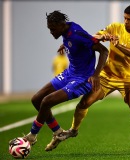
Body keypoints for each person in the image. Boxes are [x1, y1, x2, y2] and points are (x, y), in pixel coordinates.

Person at [10, 10, 108, 151]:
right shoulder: (66, 31)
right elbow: (77, 40)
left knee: (46, 101)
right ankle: (57, 132)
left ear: (61, 25)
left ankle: (32, 135)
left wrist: (96, 75)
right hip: (70, 73)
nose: (51, 32)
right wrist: (66, 44)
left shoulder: (76, 34)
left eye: (53, 29)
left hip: (82, 79)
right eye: (49, 29)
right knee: (36, 99)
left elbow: (104, 51)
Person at [57, 4, 130, 154]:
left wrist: (117, 44)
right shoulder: (115, 27)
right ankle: (73, 130)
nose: (126, 21)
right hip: (107, 76)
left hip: (128, 79)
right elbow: (94, 38)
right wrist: (98, 37)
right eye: (125, 18)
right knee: (84, 102)